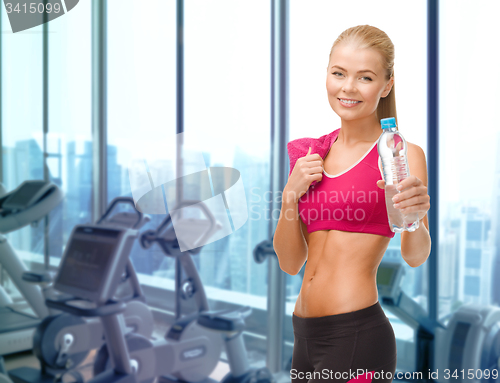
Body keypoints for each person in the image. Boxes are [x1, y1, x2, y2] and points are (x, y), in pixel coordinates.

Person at [273, 25, 432, 383]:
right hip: (303, 336)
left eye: (365, 77)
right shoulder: (311, 154)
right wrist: (289, 195)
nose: (348, 87)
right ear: (327, 75)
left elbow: (415, 255)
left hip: (357, 336)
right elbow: (289, 262)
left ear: (386, 85)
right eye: (338, 73)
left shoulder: (400, 154)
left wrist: (414, 219)